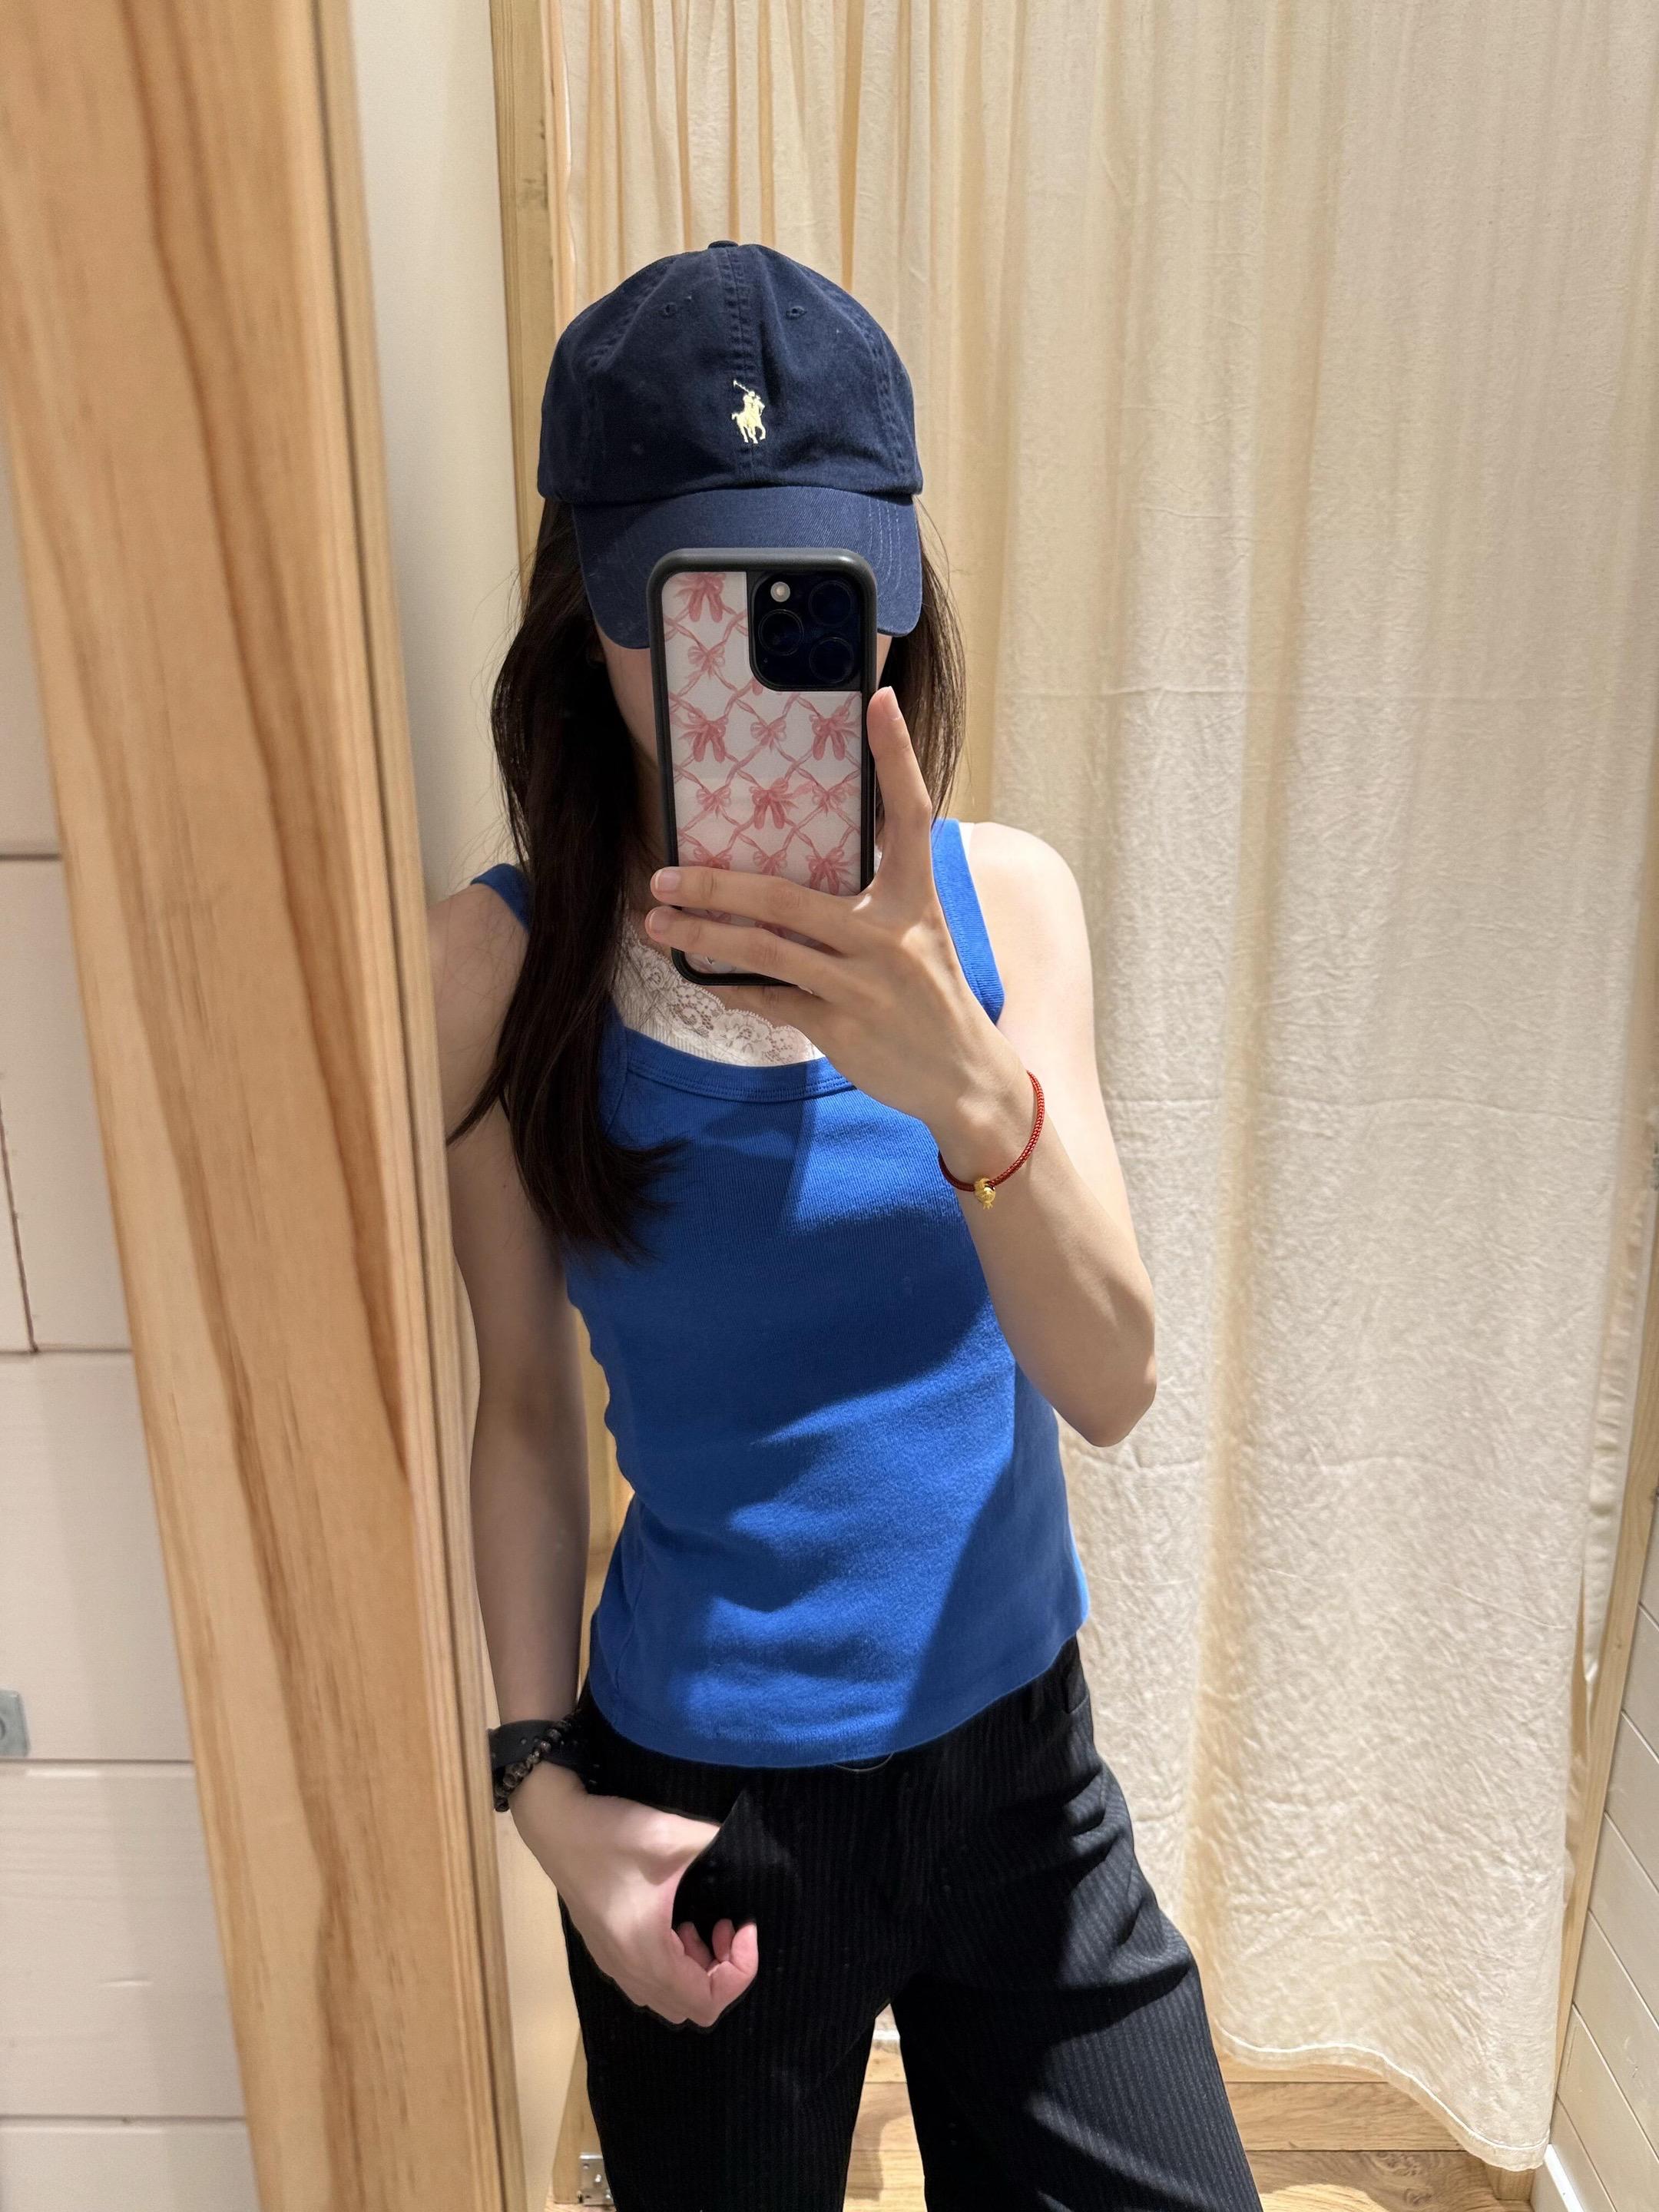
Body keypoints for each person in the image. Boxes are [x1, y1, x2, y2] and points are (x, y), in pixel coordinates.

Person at [429, 240, 1260, 2212]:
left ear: (895, 591)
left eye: (811, 599)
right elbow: (520, 1407)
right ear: (586, 610)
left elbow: (1114, 1383)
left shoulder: (1006, 907)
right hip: (702, 1807)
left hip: (1020, 1770)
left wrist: (970, 1093)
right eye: (686, 604)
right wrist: (538, 1788)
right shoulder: (498, 969)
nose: (753, 667)